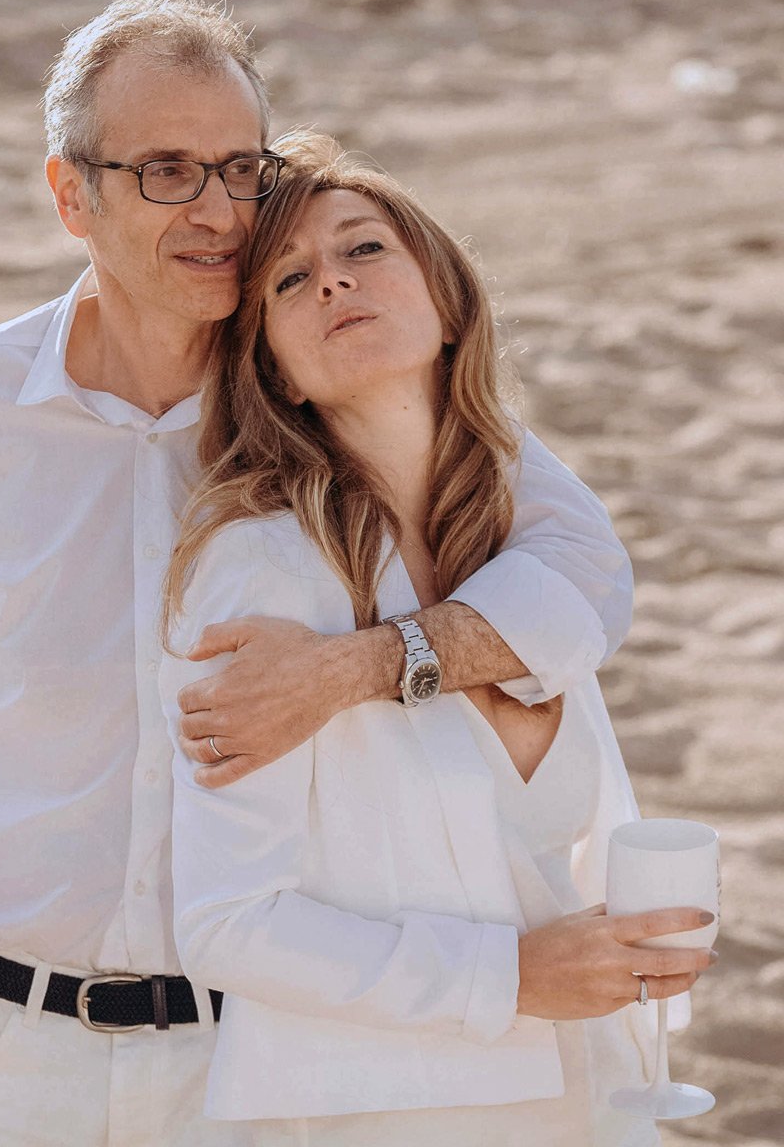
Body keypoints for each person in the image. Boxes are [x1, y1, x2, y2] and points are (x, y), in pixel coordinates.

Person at [0, 0, 637, 1147]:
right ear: (70, 195)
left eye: (240, 169)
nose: (217, 212)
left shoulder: (324, 390)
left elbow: (585, 571)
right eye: (165, 171)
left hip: (243, 1053)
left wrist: (354, 668)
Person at [160, 132, 715, 1146]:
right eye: (291, 280)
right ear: (275, 371)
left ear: (449, 299)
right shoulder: (260, 571)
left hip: (581, 1088)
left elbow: (600, 584)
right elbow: (225, 924)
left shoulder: (524, 531)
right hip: (377, 1109)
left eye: (364, 249)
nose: (332, 281)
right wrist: (507, 979)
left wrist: (361, 669)